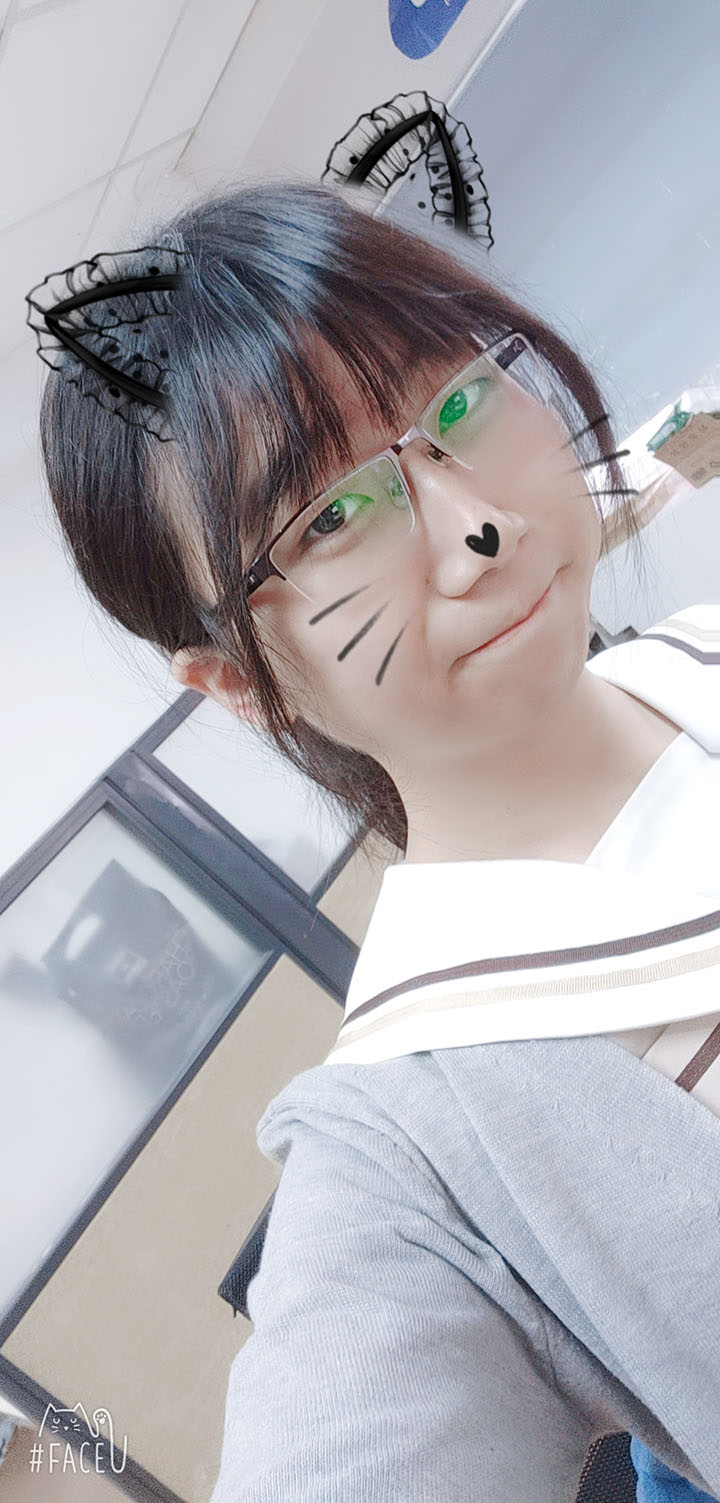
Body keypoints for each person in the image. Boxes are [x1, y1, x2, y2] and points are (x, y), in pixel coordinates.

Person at [28, 182, 720, 1502]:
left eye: (456, 406)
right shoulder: (416, 1151)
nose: (474, 528)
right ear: (238, 685)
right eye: (331, 519)